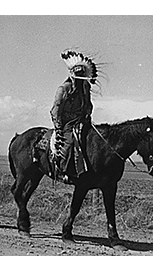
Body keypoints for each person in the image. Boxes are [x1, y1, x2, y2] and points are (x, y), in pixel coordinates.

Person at [50, 49, 98, 183]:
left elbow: (89, 104)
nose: (79, 79)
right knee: (70, 140)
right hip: (67, 123)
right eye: (77, 75)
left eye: (82, 75)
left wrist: (87, 115)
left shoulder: (85, 87)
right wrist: (59, 128)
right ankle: (63, 170)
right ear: (71, 74)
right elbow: (55, 110)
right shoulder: (63, 89)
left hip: (82, 121)